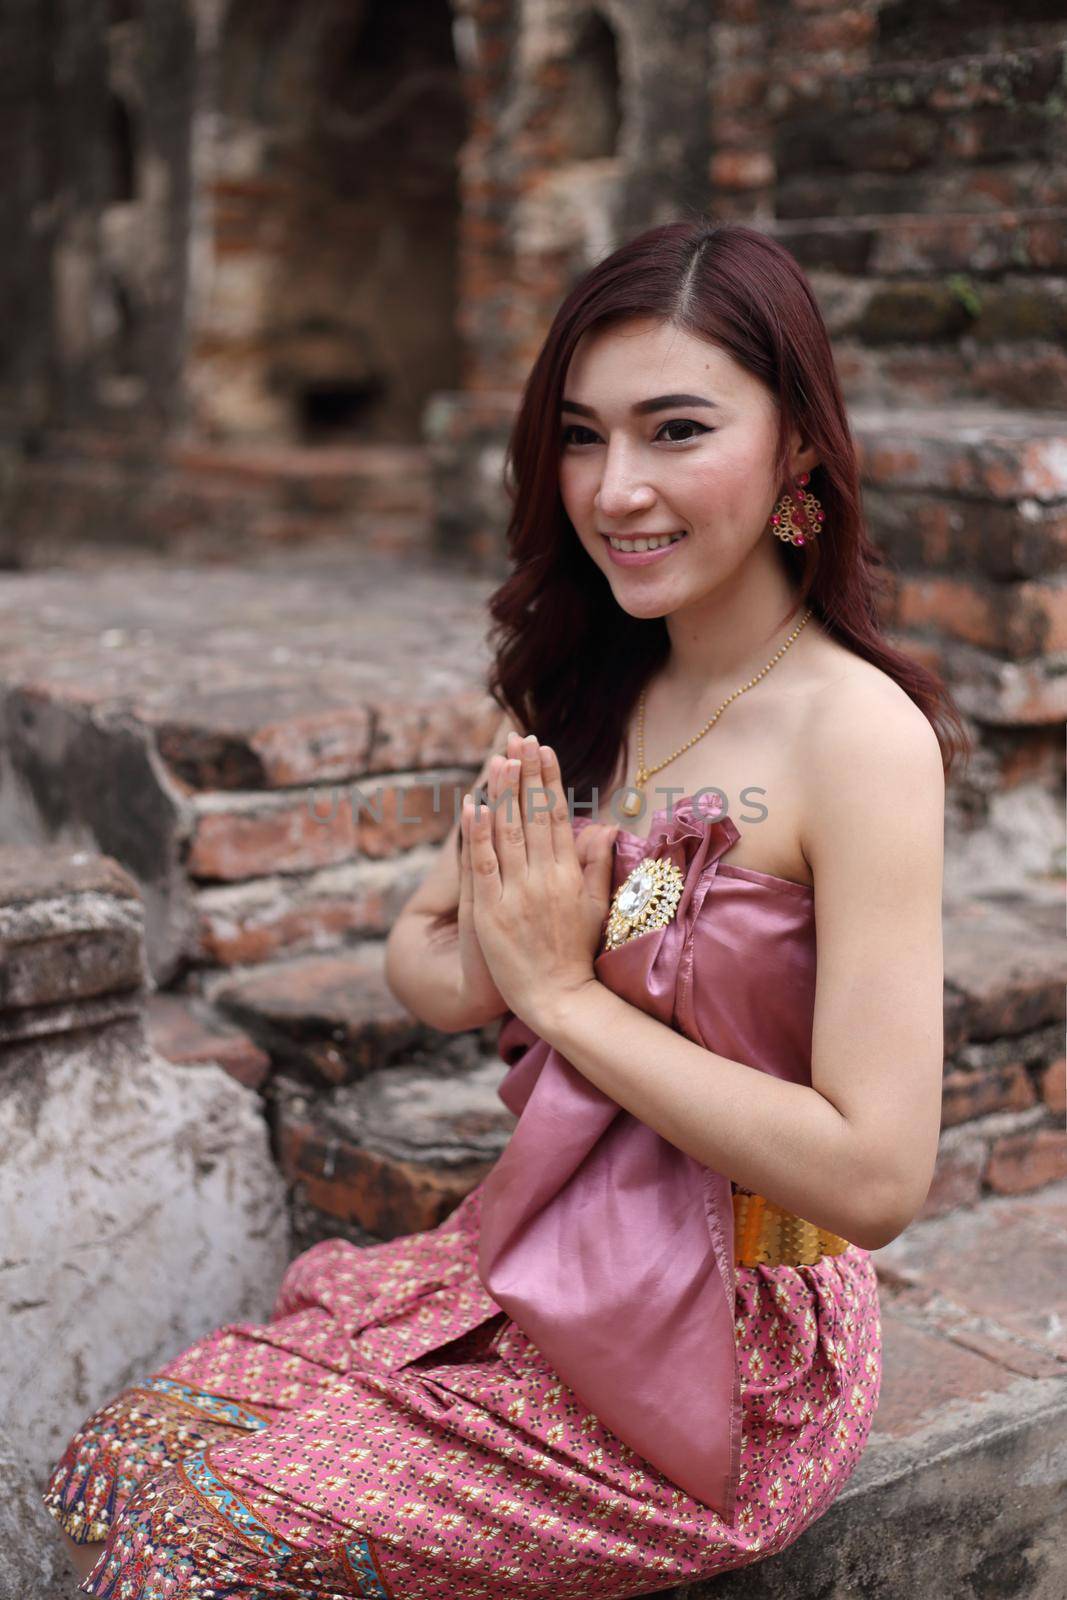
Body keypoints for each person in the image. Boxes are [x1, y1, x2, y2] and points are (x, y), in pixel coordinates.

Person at [45, 219, 966, 1599]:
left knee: (190, 1546)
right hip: (531, 1247)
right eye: (583, 437)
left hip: (737, 1337)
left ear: (798, 454)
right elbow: (430, 967)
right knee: (115, 1465)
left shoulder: (857, 739)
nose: (616, 490)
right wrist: (544, 930)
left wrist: (563, 996)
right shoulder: (598, 688)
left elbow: (876, 1177)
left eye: (674, 431)